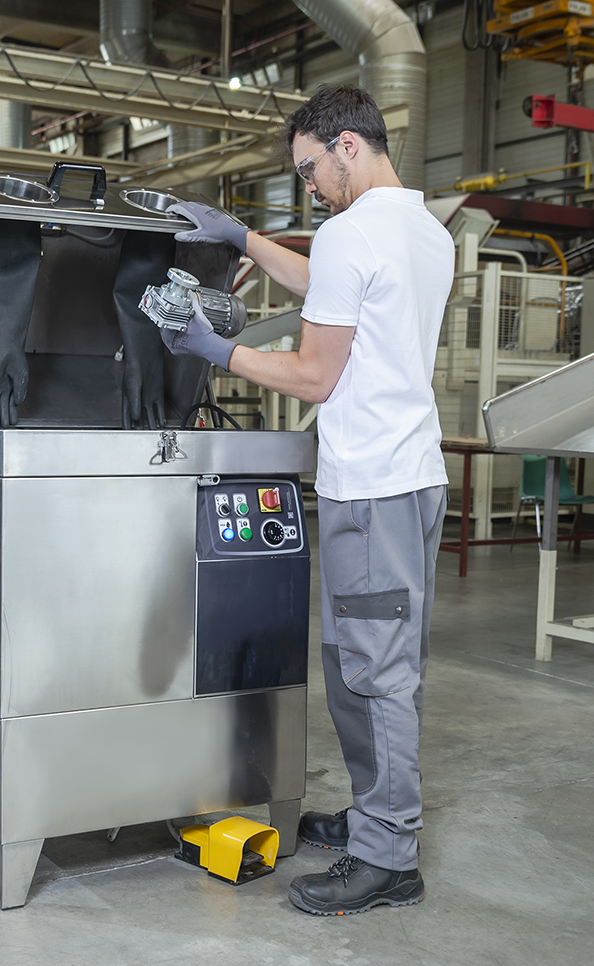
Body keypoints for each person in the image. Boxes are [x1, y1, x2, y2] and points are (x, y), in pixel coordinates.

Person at [162, 84, 454, 917]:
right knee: (364, 662)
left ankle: (388, 856)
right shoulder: (422, 230)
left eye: (310, 170)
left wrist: (215, 350)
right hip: (408, 478)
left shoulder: (355, 232)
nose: (310, 188)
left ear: (347, 145)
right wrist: (246, 238)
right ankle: (374, 819)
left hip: (373, 485)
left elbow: (314, 373)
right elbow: (328, 285)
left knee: (375, 674)